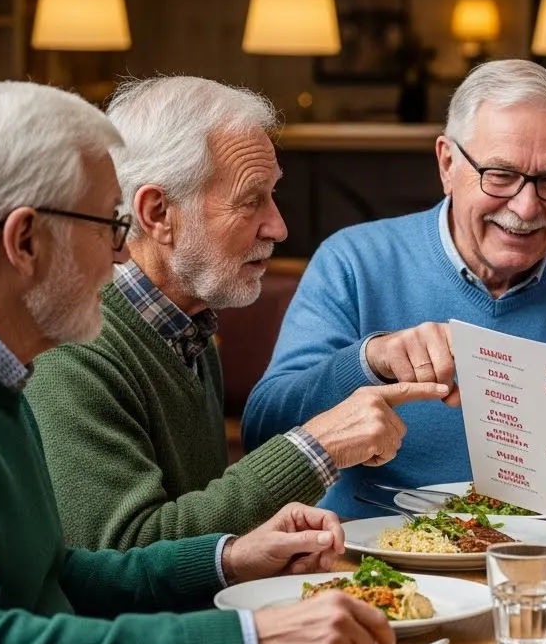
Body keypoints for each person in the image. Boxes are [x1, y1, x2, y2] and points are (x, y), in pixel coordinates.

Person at [0, 81, 399, 644]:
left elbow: (55, 575)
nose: (120, 253)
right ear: (25, 240)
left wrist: (226, 558)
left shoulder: (6, 378)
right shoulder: (40, 369)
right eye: (107, 225)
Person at [24, 76, 448, 550]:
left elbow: (197, 524)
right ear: (158, 213)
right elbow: (126, 553)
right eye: (251, 201)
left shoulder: (187, 327)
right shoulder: (74, 350)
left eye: (272, 195)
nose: (279, 227)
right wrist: (318, 448)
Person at [243, 59, 546, 518]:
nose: (526, 207)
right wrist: (369, 361)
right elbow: (263, 430)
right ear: (447, 164)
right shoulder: (354, 262)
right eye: (500, 174)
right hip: (376, 551)